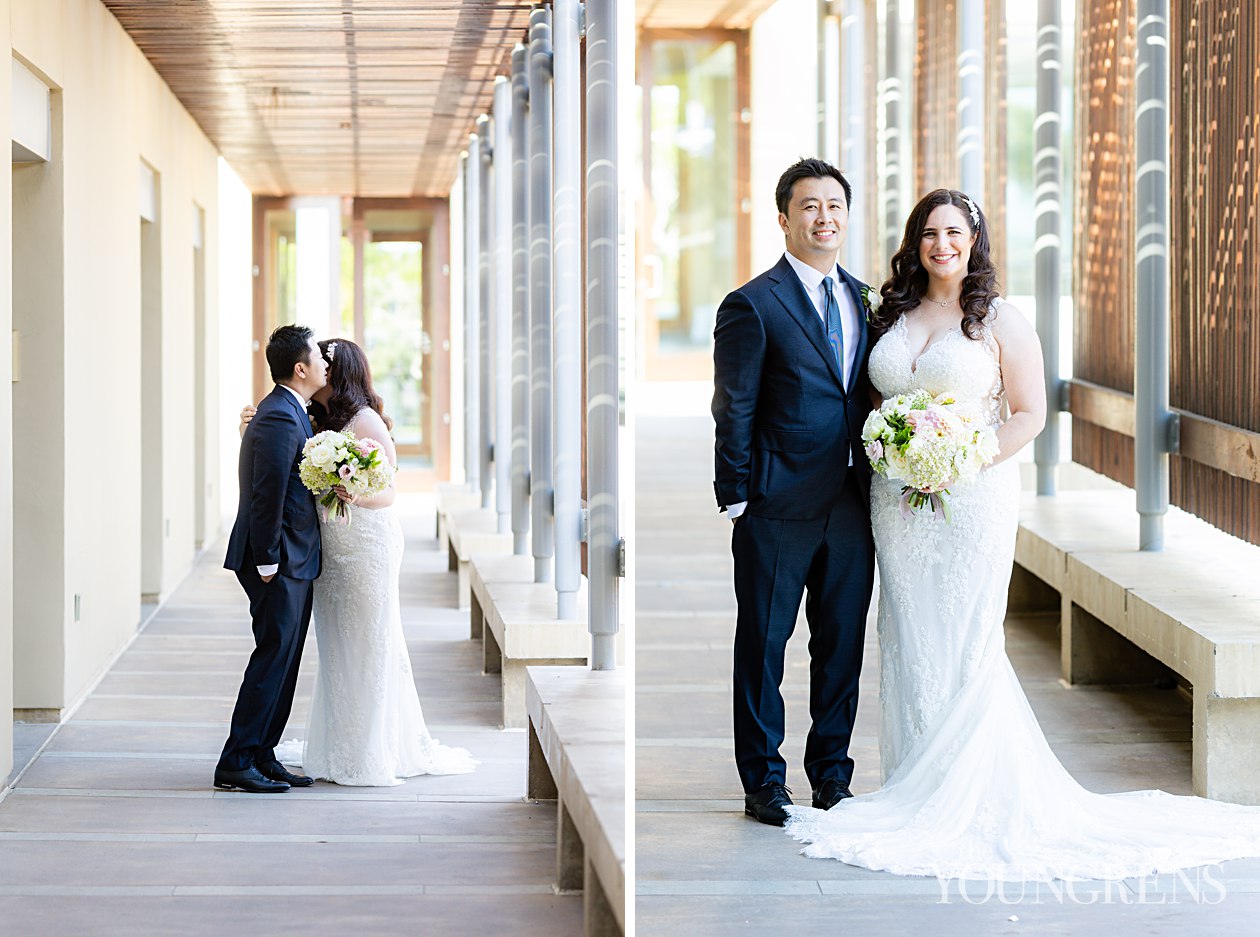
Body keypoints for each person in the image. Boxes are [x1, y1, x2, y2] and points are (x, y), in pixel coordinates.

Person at [783, 188, 1260, 880]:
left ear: (974, 240)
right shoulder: (892, 311)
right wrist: (900, 451)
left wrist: (956, 459)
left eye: (954, 232)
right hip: (897, 504)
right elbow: (880, 400)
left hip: (971, 498)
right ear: (915, 243)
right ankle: (916, 781)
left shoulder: (1001, 320)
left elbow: (1030, 413)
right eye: (929, 233)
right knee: (911, 635)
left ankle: (968, 796)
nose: (941, 244)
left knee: (968, 638)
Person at [712, 158, 877, 826]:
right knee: (764, 645)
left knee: (841, 646)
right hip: (776, 501)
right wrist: (737, 493)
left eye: (835, 205)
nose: (824, 217)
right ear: (784, 218)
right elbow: (734, 405)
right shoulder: (752, 303)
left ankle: (833, 777)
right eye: (809, 206)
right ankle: (764, 782)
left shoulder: (866, 299)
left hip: (850, 502)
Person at [240, 338, 475, 786]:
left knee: (371, 643)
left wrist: (355, 494)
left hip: (366, 544)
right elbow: (282, 464)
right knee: (337, 647)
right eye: (316, 359)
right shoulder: (312, 418)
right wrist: (251, 428)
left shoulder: (365, 421)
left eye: (326, 360)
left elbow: (389, 492)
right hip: (329, 551)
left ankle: (372, 748)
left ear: (340, 370)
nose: (320, 367)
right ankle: (337, 742)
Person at [217, 324, 328, 793]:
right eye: (318, 358)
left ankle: (263, 753)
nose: (325, 364)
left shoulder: (289, 410)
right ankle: (237, 761)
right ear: (299, 368)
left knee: (285, 659)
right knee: (272, 658)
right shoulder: (280, 416)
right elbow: (268, 493)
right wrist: (267, 560)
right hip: (276, 561)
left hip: (291, 559)